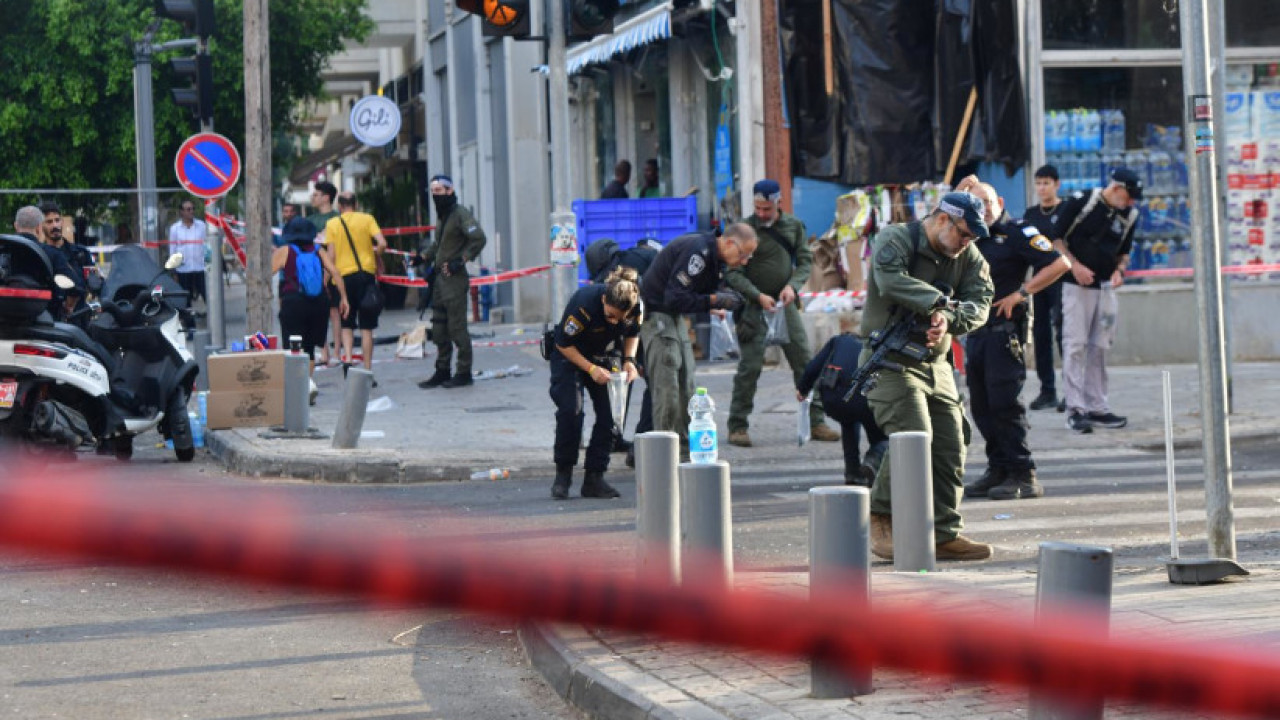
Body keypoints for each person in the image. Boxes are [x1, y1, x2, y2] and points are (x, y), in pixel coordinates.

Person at [861, 192, 994, 562]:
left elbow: (981, 302)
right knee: (915, 436)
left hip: (937, 364)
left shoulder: (968, 255)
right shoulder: (896, 239)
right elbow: (890, 281)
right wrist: (939, 305)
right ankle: (880, 516)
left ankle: (943, 531)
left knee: (952, 442)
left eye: (972, 238)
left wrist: (949, 319)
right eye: (963, 234)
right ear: (941, 220)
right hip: (890, 361)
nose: (966, 243)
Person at [958, 180, 1070, 502]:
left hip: (1005, 335)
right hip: (976, 333)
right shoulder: (971, 235)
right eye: (977, 204)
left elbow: (1059, 263)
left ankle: (1023, 473)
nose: (985, 209)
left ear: (1000, 201)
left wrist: (1022, 293)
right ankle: (998, 468)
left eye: (988, 202)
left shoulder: (1017, 231)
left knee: (1006, 405)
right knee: (981, 406)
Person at [726, 179, 840, 447]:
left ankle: (817, 420)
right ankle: (737, 425)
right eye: (758, 208)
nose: (762, 214)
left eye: (767, 208)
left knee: (805, 362)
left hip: (785, 306)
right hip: (754, 308)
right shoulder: (745, 229)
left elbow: (804, 261)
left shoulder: (793, 226)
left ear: (779, 203)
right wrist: (757, 295)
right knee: (750, 367)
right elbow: (733, 272)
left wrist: (792, 286)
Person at [638, 224, 755, 455]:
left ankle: (683, 450)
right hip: (658, 315)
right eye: (743, 254)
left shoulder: (714, 259)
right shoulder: (698, 252)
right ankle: (665, 455)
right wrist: (713, 301)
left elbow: (690, 295)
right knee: (668, 389)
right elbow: (675, 297)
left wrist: (714, 303)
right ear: (730, 243)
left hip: (673, 316)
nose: (744, 261)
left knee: (688, 387)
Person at [1053, 168, 1141, 434]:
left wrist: (1119, 271)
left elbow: (1124, 252)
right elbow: (1055, 239)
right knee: (1075, 346)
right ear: (1116, 189)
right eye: (1127, 196)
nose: (1130, 203)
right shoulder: (1083, 201)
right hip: (1075, 285)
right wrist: (1074, 266)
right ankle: (1075, 409)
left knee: (1100, 347)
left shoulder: (1129, 215)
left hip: (1104, 287)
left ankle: (1098, 407)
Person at [549, 267, 643, 500]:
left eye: (619, 318)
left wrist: (629, 361)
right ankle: (563, 474)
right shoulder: (584, 304)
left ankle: (595, 477)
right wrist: (590, 369)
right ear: (603, 299)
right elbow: (563, 344)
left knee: (612, 415)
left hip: (606, 355)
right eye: (610, 315)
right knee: (572, 411)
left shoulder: (636, 307)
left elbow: (632, 333)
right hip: (571, 355)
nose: (614, 322)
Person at [585, 237, 662, 462]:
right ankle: (639, 446)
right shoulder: (642, 258)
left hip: (626, 330)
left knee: (620, 382)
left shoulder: (609, 273)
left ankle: (615, 438)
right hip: (643, 327)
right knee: (652, 380)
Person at [417, 175, 488, 389]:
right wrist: (421, 257)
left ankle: (464, 372)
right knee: (439, 328)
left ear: (450, 191)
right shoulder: (443, 215)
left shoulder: (460, 214)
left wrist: (461, 260)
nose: (435, 194)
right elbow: (439, 245)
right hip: (439, 280)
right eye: (433, 191)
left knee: (457, 328)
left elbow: (479, 239)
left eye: (439, 190)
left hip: (454, 279)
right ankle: (442, 370)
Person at [797, 323, 889, 486]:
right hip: (866, 399)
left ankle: (852, 473)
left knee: (848, 423)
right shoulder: (879, 343)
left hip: (836, 398)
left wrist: (803, 389)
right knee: (880, 436)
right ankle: (872, 460)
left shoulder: (838, 341)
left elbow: (814, 366)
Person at [272, 216, 349, 403]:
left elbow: (268, 273)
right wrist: (344, 298)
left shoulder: (285, 251)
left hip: (293, 302)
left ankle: (296, 391)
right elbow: (335, 272)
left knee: (292, 348)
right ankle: (308, 385)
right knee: (309, 349)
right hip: (318, 303)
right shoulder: (318, 250)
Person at [325, 191, 388, 383]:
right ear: (356, 204)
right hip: (366, 276)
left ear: (339, 206)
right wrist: (376, 256)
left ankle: (349, 361)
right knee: (367, 327)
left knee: (347, 324)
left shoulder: (332, 224)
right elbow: (382, 243)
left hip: (343, 279)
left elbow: (332, 255)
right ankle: (368, 371)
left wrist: (326, 279)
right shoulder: (367, 219)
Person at [1022, 165, 1069, 411]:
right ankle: (1047, 390)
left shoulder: (1066, 210)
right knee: (1041, 335)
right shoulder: (1031, 215)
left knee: (1064, 334)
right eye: (1038, 183)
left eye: (1046, 183)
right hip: (1039, 280)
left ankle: (1071, 391)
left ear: (1056, 184)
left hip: (1062, 281)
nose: (1042, 188)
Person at [13, 205, 81, 319]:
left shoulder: (5, 250)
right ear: (39, 228)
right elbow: (76, 287)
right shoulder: (52, 254)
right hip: (45, 323)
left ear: (16, 226)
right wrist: (68, 307)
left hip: (7, 323)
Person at [309, 181, 342, 366]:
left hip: (336, 269)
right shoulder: (310, 221)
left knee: (334, 311)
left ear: (326, 197)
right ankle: (324, 352)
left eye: (316, 194)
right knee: (319, 312)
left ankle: (337, 350)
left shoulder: (337, 218)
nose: (313, 198)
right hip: (314, 270)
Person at [168, 199, 208, 307]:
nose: (191, 211)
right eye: (188, 209)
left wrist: (209, 265)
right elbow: (173, 249)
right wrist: (174, 271)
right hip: (184, 270)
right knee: (186, 299)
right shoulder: (175, 229)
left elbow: (207, 246)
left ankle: (213, 319)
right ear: (182, 212)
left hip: (200, 268)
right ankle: (190, 322)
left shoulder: (201, 226)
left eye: (193, 209)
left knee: (207, 295)